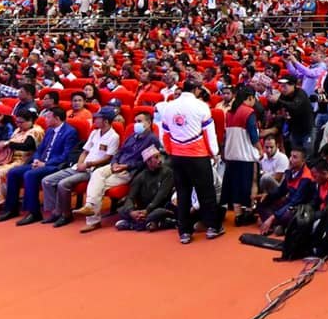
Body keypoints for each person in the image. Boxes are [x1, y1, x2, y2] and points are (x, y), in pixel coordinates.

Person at [156, 87, 223, 243]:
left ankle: (184, 232)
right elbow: (209, 133)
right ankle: (212, 227)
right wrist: (214, 152)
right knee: (206, 192)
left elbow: (164, 134)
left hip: (177, 156)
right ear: (196, 90)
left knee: (183, 193)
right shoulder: (201, 106)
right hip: (198, 155)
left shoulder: (169, 107)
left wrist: (171, 151)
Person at [41, 106, 121, 227]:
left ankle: (66, 215)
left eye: (98, 118)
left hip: (92, 170)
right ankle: (55, 211)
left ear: (105, 121)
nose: (95, 120)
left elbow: (108, 158)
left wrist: (87, 165)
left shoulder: (114, 136)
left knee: (63, 184)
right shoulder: (94, 133)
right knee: (47, 181)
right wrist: (80, 163)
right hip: (80, 166)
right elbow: (84, 151)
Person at [0, 111, 79, 226]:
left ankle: (33, 212)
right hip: (41, 162)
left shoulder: (70, 132)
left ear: (56, 118)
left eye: (48, 117)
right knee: (13, 172)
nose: (45, 119)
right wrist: (36, 159)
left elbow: (65, 155)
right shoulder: (49, 130)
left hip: (55, 165)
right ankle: (11, 208)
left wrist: (45, 164)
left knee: (30, 175)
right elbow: (39, 149)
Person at [81, 111, 158, 230]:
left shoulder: (152, 139)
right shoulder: (132, 136)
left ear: (148, 122)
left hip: (129, 170)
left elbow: (145, 162)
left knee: (99, 185)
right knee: (97, 173)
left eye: (139, 121)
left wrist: (126, 166)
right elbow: (120, 151)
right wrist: (114, 163)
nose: (136, 124)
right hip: (116, 165)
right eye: (135, 121)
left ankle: (93, 220)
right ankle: (89, 206)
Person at [112, 147, 177, 231]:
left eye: (160, 156)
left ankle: (132, 225)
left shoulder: (167, 172)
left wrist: (147, 210)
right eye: (156, 157)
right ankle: (151, 223)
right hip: (143, 209)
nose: (160, 160)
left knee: (158, 213)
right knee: (122, 210)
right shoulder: (140, 176)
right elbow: (130, 197)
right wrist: (131, 212)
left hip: (160, 207)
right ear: (148, 161)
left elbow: (161, 195)